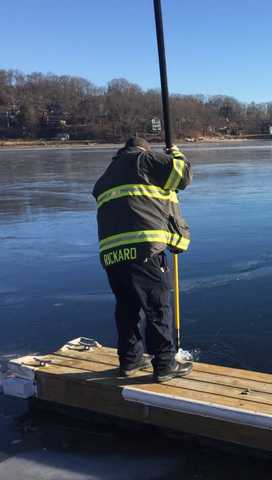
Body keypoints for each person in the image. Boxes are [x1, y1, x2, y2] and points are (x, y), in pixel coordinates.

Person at [92, 137, 193, 382]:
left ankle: (130, 360)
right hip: (144, 250)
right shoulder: (143, 159)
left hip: (112, 254)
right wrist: (176, 154)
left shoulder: (106, 176)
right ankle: (165, 365)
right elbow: (182, 175)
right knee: (157, 307)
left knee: (128, 308)